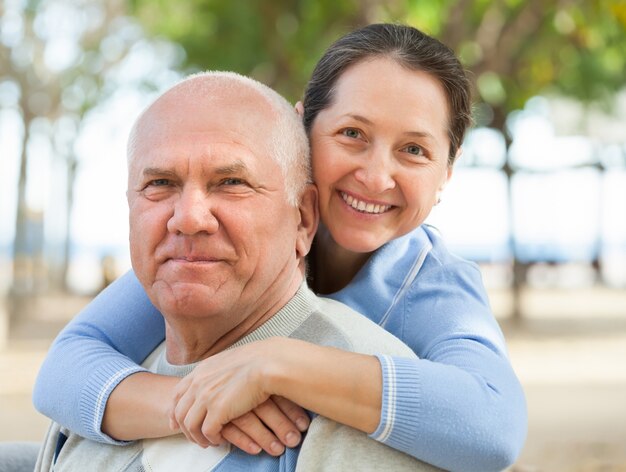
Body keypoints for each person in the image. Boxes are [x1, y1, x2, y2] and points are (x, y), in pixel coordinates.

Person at [34, 24, 527, 471]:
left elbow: (491, 426)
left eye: (414, 150)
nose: (376, 176)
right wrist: (196, 406)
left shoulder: (433, 283)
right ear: (300, 130)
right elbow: (67, 364)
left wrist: (277, 363)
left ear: (447, 171)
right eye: (351, 134)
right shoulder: (217, 255)